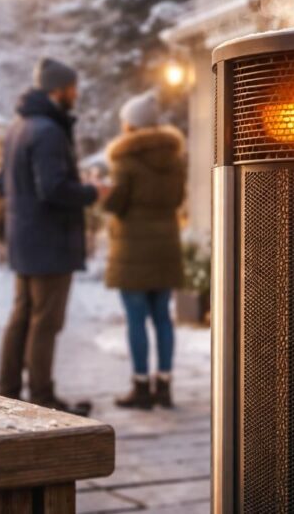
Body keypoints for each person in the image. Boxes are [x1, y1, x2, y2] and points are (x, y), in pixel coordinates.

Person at [0, 58, 106, 415]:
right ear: (59, 90)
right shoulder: (48, 131)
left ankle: (7, 393)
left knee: (22, 316)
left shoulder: (18, 128)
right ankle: (42, 397)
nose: (76, 94)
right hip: (50, 243)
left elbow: (3, 186)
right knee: (45, 321)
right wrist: (91, 192)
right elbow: (54, 188)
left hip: (24, 240)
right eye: (72, 87)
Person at [102, 91, 185, 409]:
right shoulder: (174, 159)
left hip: (133, 251)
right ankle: (164, 385)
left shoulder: (125, 160)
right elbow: (177, 200)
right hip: (165, 246)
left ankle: (140, 387)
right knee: (163, 316)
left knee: (136, 318)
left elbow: (117, 203)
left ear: (132, 125)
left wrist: (103, 194)